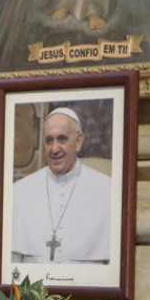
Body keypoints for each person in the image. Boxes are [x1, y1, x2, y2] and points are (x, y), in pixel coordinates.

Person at [11, 107, 111, 264]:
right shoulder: (19, 191)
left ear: (78, 141)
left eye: (62, 139)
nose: (54, 149)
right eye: (49, 140)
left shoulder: (107, 190)